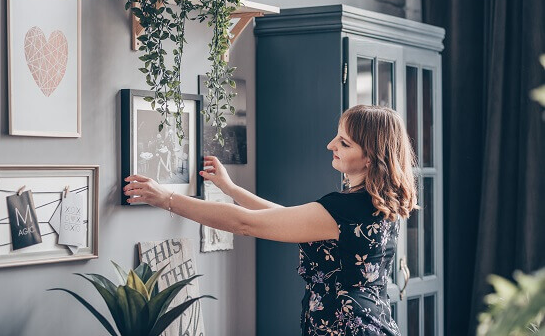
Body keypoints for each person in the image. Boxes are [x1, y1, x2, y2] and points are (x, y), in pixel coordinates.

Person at [123, 105, 418, 335]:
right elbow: (285, 218)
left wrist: (166, 199)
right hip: (372, 323)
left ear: (370, 157)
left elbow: (245, 223)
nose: (331, 145)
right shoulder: (374, 202)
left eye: (344, 142)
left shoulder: (344, 208)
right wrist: (232, 189)